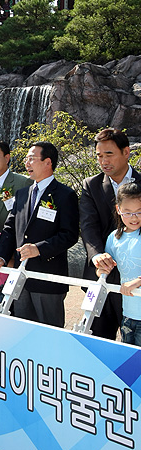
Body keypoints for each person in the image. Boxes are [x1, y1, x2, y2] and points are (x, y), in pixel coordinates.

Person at [0, 141, 79, 328]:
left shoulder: (65, 194)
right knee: (23, 331)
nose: (27, 163)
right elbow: (9, 228)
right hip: (21, 277)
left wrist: (39, 249)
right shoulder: (22, 194)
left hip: (47, 279)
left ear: (48, 162)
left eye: (32, 159)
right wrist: (0, 256)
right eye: (26, 159)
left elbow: (69, 235)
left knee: (50, 334)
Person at [80, 128, 141, 340]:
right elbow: (88, 225)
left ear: (126, 152)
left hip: (135, 281)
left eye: (109, 154)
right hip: (101, 276)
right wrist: (97, 255)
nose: (103, 161)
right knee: (97, 341)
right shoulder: (91, 185)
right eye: (99, 155)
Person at [97, 182, 141, 346]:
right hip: (127, 313)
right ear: (118, 210)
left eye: (139, 212)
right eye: (128, 213)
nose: (134, 217)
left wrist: (137, 282)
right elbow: (104, 269)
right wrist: (101, 269)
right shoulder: (114, 238)